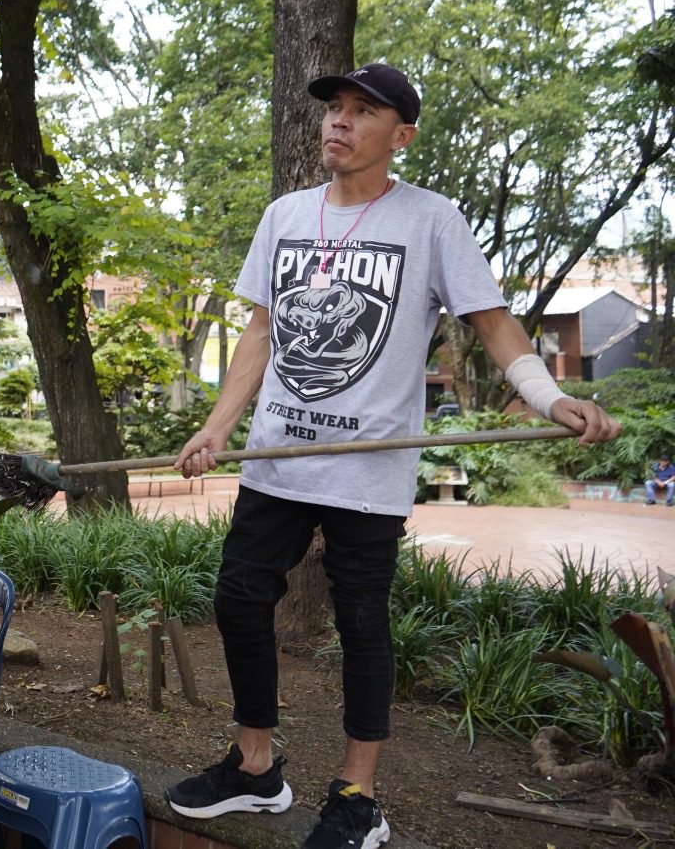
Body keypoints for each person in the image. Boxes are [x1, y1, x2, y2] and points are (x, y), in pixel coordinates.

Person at [162, 64, 621, 849]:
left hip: (367, 467)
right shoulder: (284, 216)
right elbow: (262, 333)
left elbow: (495, 324)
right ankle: (256, 768)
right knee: (240, 596)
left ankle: (356, 795)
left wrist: (549, 398)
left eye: (361, 112)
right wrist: (218, 426)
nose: (338, 122)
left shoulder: (431, 220)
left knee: (362, 622)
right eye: (333, 110)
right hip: (278, 456)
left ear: (400, 135)